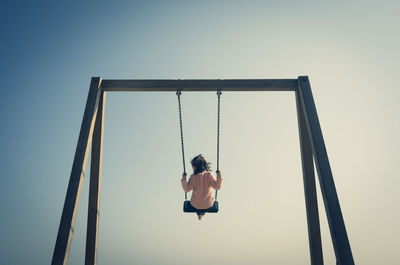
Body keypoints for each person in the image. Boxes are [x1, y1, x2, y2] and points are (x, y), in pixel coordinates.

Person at [181, 154, 223, 220]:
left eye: (193, 166)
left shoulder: (193, 177)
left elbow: (186, 189)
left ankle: (200, 213)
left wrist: (183, 179)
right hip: (208, 204)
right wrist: (219, 176)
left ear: (196, 167)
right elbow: (217, 187)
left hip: (196, 204)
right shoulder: (209, 175)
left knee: (198, 205)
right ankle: (202, 213)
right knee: (204, 205)